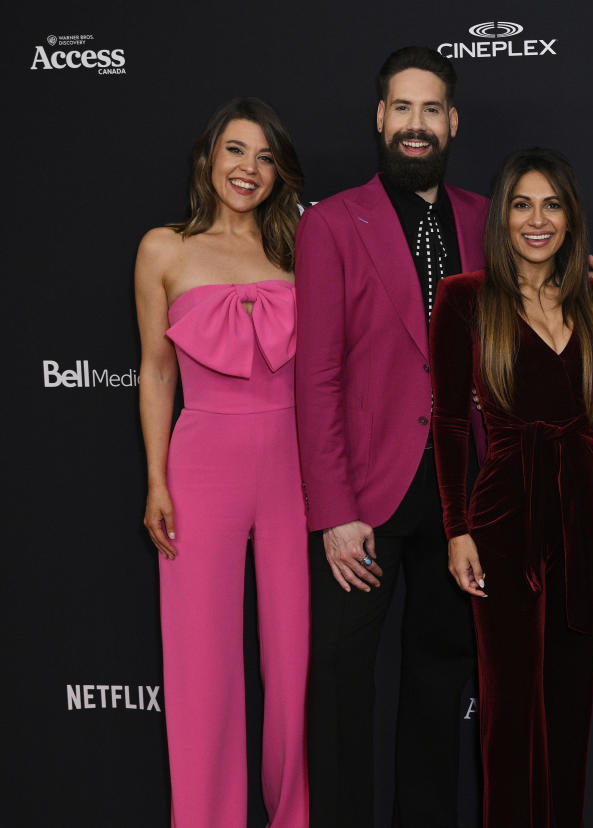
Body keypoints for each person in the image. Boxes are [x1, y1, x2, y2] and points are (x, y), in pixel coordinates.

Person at [294, 46, 487, 827]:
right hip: (364, 500)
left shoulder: (485, 216)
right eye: (402, 109)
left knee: (440, 686)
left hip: (459, 496)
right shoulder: (335, 223)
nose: (416, 124)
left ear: (452, 122)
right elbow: (317, 378)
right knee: (342, 687)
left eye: (431, 110)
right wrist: (335, 510)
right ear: (380, 119)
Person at [430, 147, 593, 828]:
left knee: (571, 700)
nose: (537, 220)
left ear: (570, 218)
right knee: (507, 709)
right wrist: (456, 529)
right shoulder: (464, 298)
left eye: (552, 204)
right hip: (503, 509)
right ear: (502, 216)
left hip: (585, 509)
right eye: (521, 204)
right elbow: (450, 421)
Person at [135, 97, 307, 827]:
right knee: (203, 669)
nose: (249, 169)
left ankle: (292, 816)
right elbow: (155, 371)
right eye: (237, 151)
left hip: (291, 471)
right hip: (200, 464)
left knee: (292, 668)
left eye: (265, 157)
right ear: (210, 158)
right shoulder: (163, 249)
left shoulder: (298, 245)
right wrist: (156, 479)